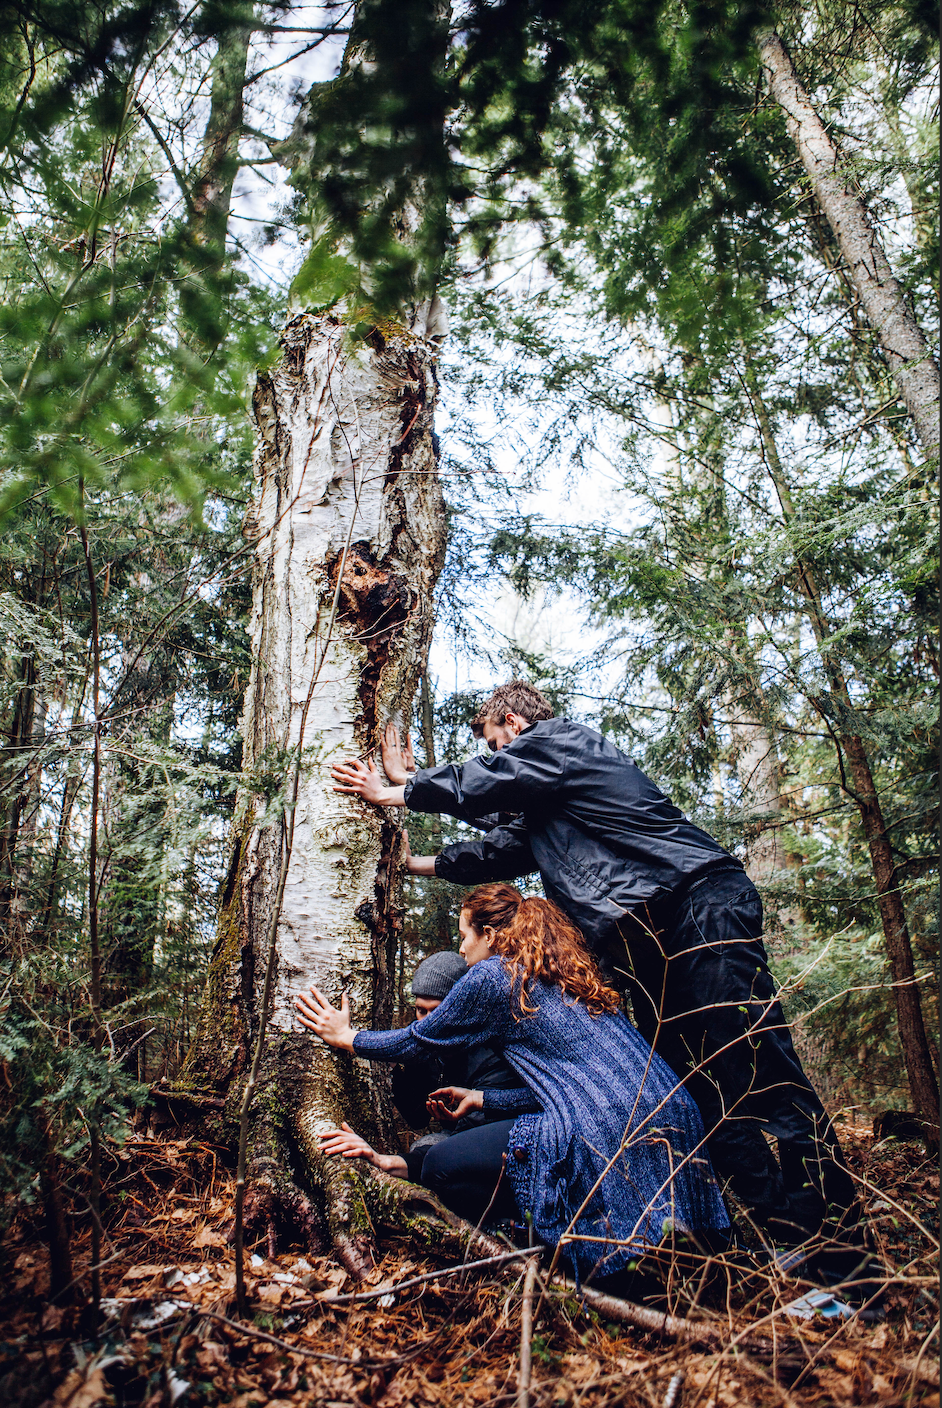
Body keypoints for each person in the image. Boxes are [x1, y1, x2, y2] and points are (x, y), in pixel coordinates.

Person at [330, 682, 862, 1272]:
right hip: (647, 945)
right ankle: (780, 1242)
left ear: (514, 724)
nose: (498, 757)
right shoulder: (549, 808)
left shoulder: (562, 741)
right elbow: (500, 845)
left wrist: (403, 789)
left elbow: (498, 780)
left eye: (496, 744)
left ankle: (842, 1257)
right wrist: (411, 861)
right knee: (696, 1090)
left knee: (761, 1076)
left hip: (698, 907)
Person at [296, 884, 730, 1281]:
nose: (461, 948)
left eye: (464, 935)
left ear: (488, 935)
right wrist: (483, 1098)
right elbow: (572, 1085)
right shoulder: (563, 973)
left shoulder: (495, 975)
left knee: (443, 1166)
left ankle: (541, 1243)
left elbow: (418, 1039)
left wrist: (348, 1037)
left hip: (604, 1125)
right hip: (673, 1110)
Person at [391, 950, 529, 1179]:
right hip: (459, 1140)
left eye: (437, 1011)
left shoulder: (490, 1052)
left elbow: (473, 1132)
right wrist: (395, 1072)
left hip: (504, 1146)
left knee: (427, 1147)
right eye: (421, 1010)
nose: (428, 1021)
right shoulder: (426, 1047)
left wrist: (401, 1163)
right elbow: (417, 1118)